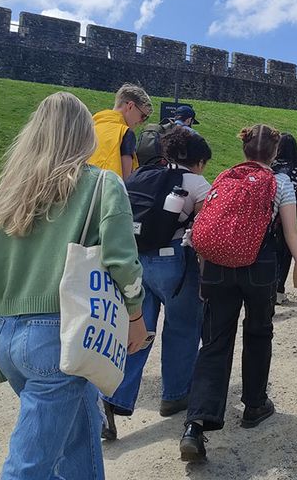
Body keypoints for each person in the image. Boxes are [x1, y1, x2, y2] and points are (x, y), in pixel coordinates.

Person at [0, 92, 149, 479]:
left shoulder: (10, 192)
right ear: (84, 135)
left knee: (79, 431)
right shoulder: (103, 184)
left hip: (7, 330)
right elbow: (123, 261)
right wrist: (136, 316)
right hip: (61, 334)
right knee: (29, 466)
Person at [180, 125, 297, 463]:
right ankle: (254, 404)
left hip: (217, 268)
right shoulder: (280, 183)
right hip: (258, 267)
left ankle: (195, 425)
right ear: (274, 153)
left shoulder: (225, 177)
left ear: (244, 151)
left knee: (214, 343)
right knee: (258, 333)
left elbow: (209, 225)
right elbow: (291, 234)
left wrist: (203, 274)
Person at [101, 127, 213, 439]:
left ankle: (114, 397)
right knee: (182, 329)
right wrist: (206, 278)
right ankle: (175, 394)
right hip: (175, 261)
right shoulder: (196, 183)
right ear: (198, 160)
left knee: (138, 331)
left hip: (138, 261)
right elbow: (202, 236)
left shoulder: (138, 176)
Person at [271, 133, 297, 305]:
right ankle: (278, 290)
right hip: (288, 215)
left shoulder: (270, 166)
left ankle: (267, 289)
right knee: (285, 254)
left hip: (269, 216)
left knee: (269, 253)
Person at [88, 83, 153, 179]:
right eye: (143, 116)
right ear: (130, 106)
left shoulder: (90, 126)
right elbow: (125, 181)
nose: (141, 122)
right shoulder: (125, 133)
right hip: (107, 190)